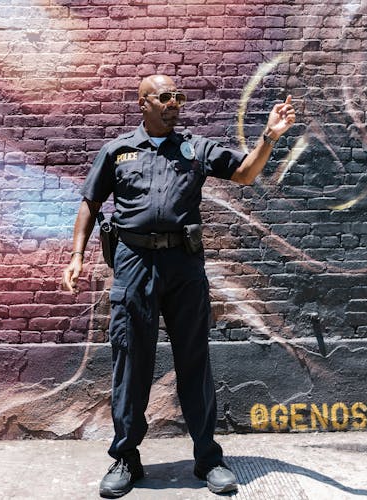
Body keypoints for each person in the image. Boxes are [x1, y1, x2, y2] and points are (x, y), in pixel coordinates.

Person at [62, 74, 296, 498]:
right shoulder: (117, 152)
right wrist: (78, 254)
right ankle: (126, 457)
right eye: (165, 97)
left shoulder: (196, 148)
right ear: (143, 103)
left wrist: (269, 137)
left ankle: (208, 457)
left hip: (184, 265)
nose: (175, 103)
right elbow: (91, 202)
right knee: (131, 361)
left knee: (194, 359)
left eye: (179, 97)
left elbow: (244, 174)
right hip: (134, 264)